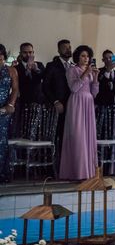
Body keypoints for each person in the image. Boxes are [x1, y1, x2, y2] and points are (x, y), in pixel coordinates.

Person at [59, 45, 99, 181]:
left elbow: (94, 93)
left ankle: (88, 171)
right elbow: (74, 88)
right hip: (77, 103)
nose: (86, 59)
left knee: (88, 137)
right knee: (78, 136)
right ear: (77, 57)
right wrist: (85, 73)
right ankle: (76, 172)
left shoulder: (89, 71)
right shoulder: (72, 70)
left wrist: (96, 78)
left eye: (87, 56)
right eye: (83, 56)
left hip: (88, 103)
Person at [43, 39, 73, 172]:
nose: (68, 49)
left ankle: (70, 164)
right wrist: (55, 101)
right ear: (59, 50)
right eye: (65, 47)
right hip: (58, 106)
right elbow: (46, 86)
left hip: (73, 106)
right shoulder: (52, 65)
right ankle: (55, 167)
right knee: (57, 136)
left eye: (69, 47)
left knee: (71, 136)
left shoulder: (74, 66)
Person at [15, 42, 46, 140]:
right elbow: (20, 83)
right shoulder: (16, 68)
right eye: (25, 52)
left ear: (33, 52)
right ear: (20, 53)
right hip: (23, 104)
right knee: (24, 132)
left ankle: (36, 155)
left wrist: (36, 70)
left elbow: (43, 78)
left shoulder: (39, 65)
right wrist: (27, 71)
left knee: (38, 132)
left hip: (38, 102)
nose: (28, 55)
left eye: (30, 52)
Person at [0, 44, 18, 183]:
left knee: (2, 140)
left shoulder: (11, 70)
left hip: (4, 109)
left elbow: (15, 89)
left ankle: (2, 172)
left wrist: (10, 104)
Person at [95, 50, 115, 140]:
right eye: (107, 58)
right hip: (102, 105)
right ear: (103, 60)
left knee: (113, 129)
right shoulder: (99, 71)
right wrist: (108, 70)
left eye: (111, 58)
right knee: (101, 130)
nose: (110, 60)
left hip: (114, 106)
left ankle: (110, 152)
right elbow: (100, 87)